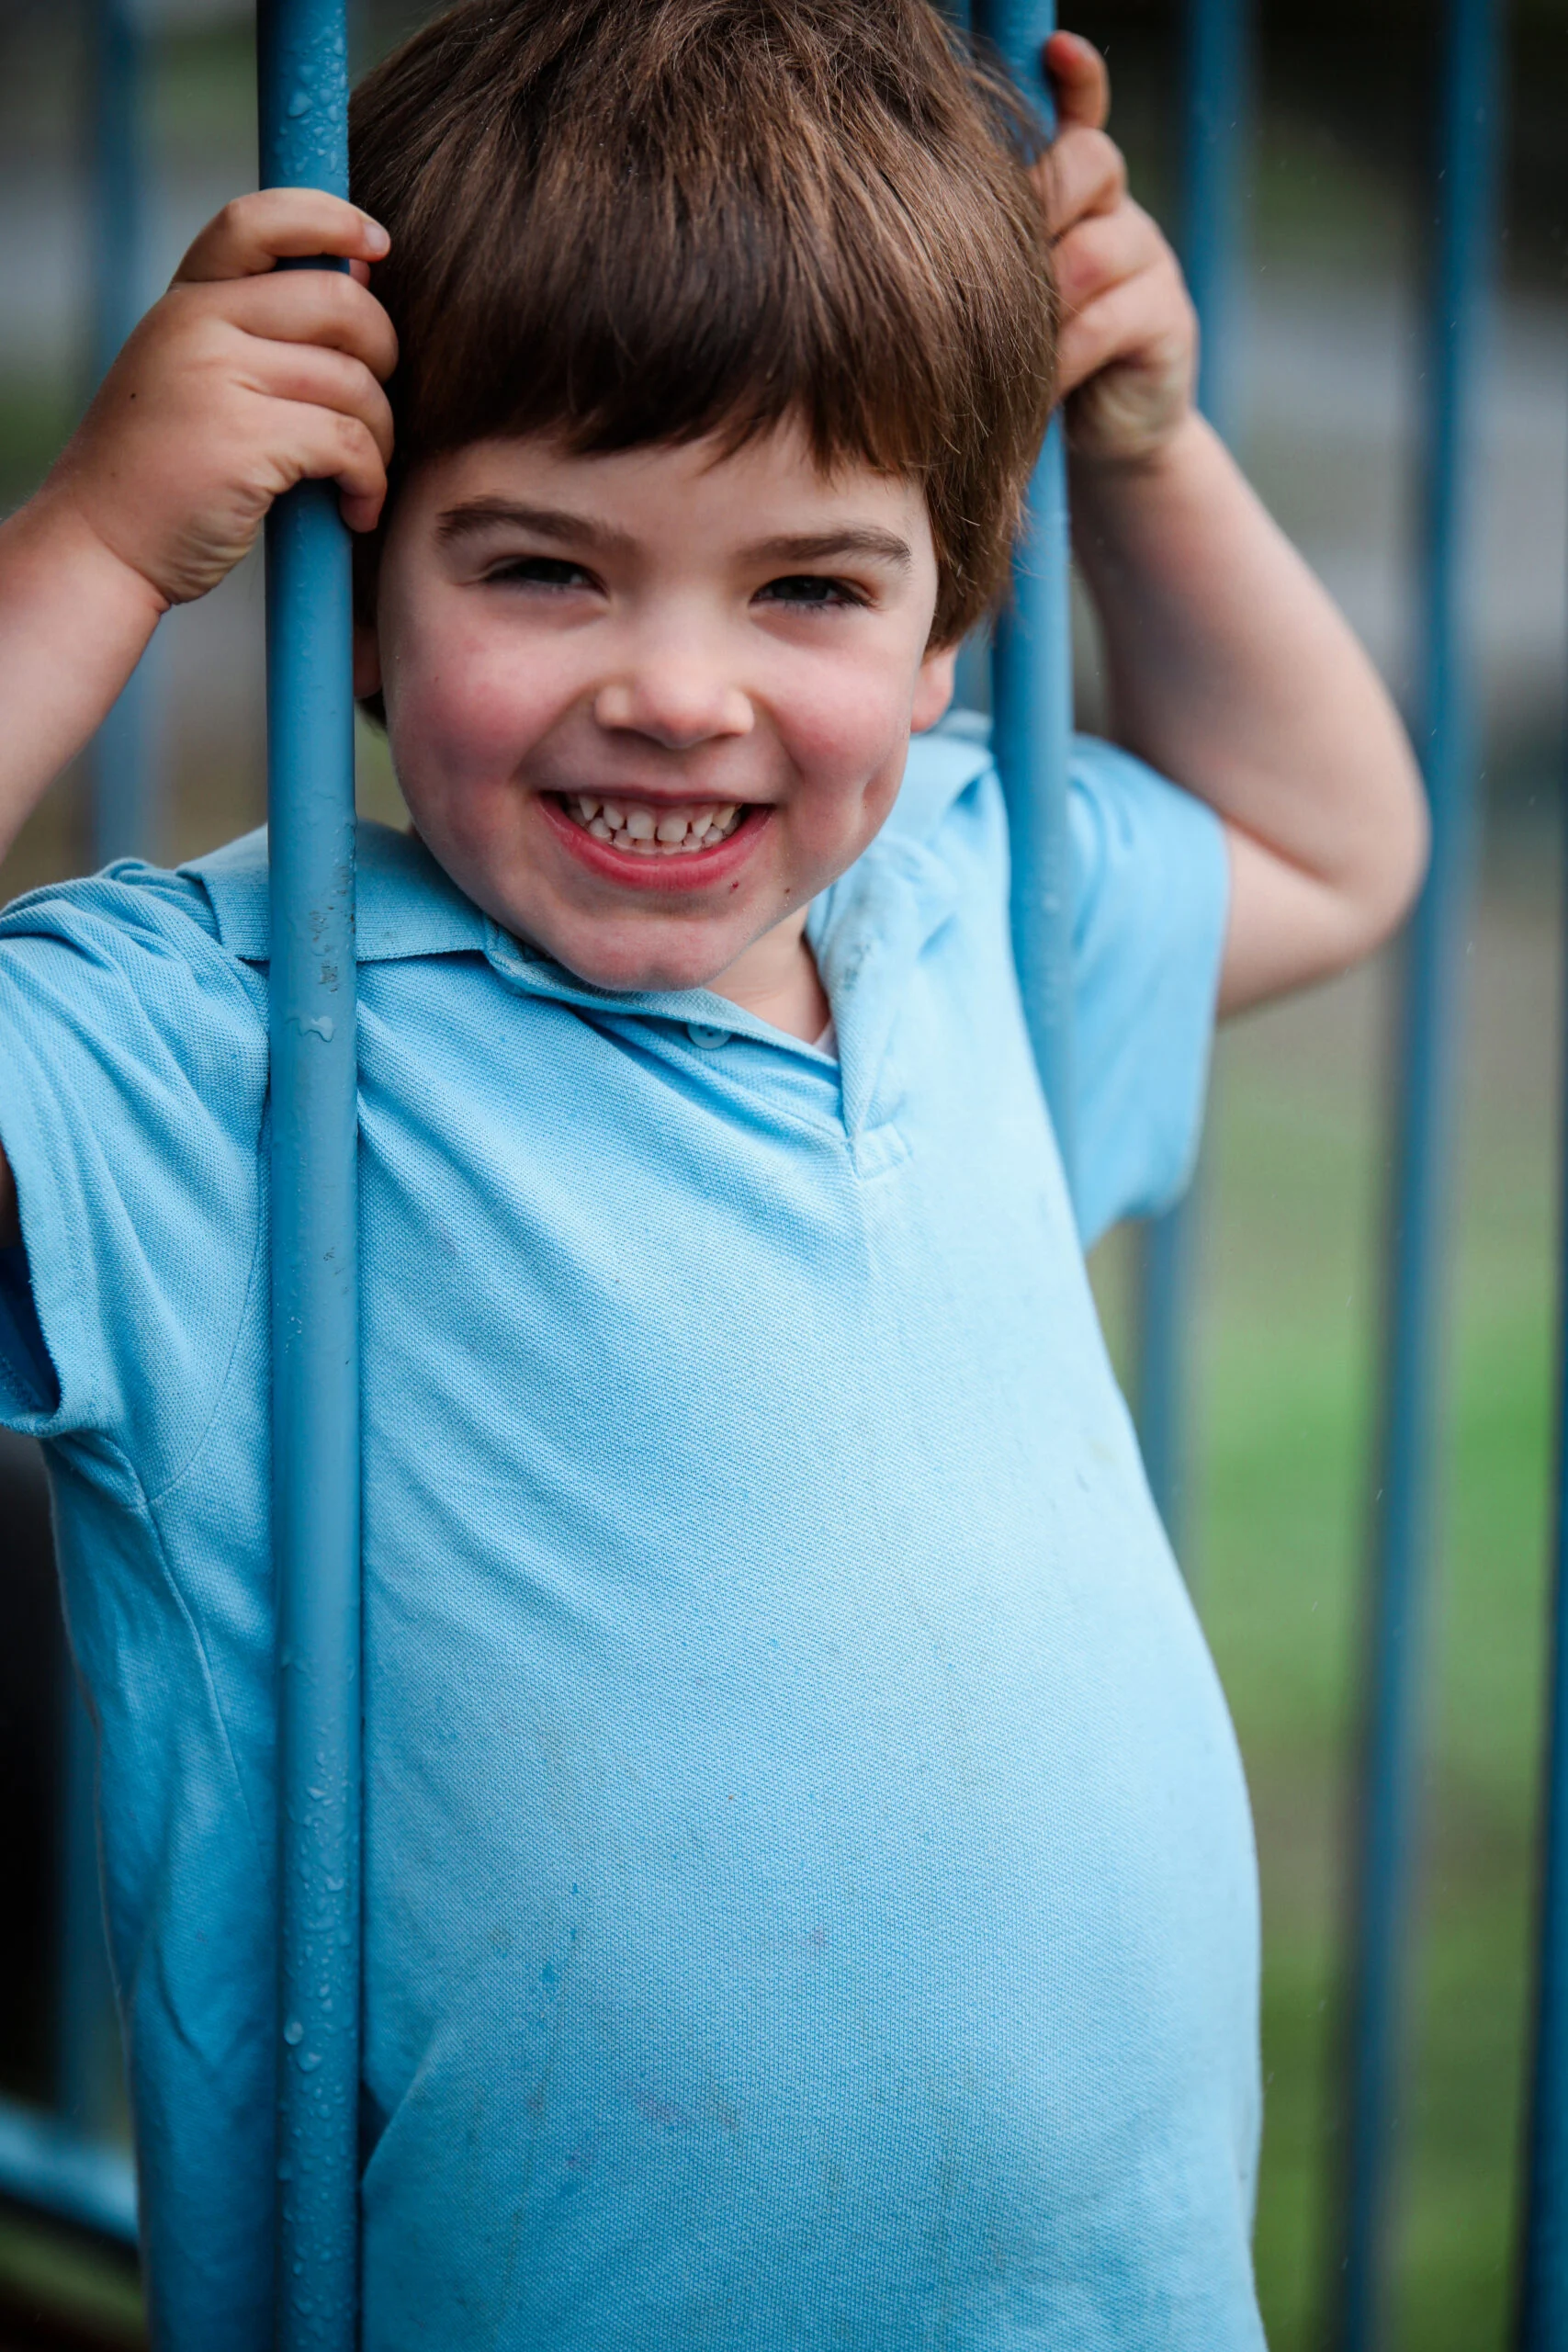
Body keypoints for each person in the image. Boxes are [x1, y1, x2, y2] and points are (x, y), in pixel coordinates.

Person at [0, 0, 1425, 2342]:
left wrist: (1149, 450)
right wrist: (90, 544)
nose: (679, 690)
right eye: (544, 568)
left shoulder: (960, 904)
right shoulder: (217, 1048)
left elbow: (1333, 845)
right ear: (352, 587)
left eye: (810, 589)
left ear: (954, 621)